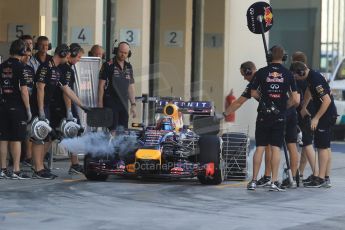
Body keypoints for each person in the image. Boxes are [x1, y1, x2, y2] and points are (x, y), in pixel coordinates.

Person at [30, 44, 89, 179]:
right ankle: (38, 169)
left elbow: (66, 89)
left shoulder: (56, 70)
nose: (69, 57)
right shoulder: (45, 67)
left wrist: (82, 105)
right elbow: (40, 88)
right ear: (62, 54)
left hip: (45, 106)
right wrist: (40, 110)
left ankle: (39, 167)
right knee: (39, 136)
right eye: (67, 54)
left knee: (45, 136)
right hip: (39, 105)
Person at [248, 45, 299, 191]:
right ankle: (274, 181)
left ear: (269, 57)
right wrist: (283, 106)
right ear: (284, 57)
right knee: (276, 148)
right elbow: (295, 99)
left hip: (263, 115)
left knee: (260, 147)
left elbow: (252, 92)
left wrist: (264, 101)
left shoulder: (261, 72)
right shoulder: (288, 74)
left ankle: (253, 181)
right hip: (279, 116)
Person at [223, 61, 272, 188]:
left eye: (244, 75)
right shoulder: (268, 75)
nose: (244, 78)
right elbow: (239, 102)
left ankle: (257, 179)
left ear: (249, 71)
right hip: (282, 113)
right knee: (272, 147)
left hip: (267, 115)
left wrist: (224, 114)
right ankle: (275, 177)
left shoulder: (255, 82)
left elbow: (239, 102)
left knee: (263, 146)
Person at [290, 61, 337, 188]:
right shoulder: (311, 77)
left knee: (322, 147)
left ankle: (320, 178)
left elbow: (326, 100)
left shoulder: (315, 79)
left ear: (301, 73)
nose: (295, 79)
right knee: (325, 146)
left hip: (325, 115)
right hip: (327, 113)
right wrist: (304, 106)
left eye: (295, 76)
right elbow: (308, 92)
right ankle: (325, 177)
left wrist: (316, 118)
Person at [0, 39, 31, 179]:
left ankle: (3, 169)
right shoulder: (21, 67)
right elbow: (24, 91)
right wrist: (28, 109)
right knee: (16, 138)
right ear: (23, 52)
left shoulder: (1, 66)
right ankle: (16, 170)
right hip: (17, 107)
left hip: (2, 105)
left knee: (3, 138)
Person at [52, 43, 85, 174]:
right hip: (63, 106)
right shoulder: (67, 69)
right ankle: (75, 164)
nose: (79, 60)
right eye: (79, 57)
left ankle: (38, 164)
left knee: (51, 135)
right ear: (72, 54)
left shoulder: (62, 67)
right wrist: (69, 111)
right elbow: (66, 92)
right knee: (74, 132)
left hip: (56, 105)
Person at [291, 51, 319, 184]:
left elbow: (295, 98)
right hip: (310, 112)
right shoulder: (310, 75)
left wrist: (301, 108)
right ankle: (301, 173)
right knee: (307, 144)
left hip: (301, 114)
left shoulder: (296, 78)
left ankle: (314, 173)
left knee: (302, 144)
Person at [97, 41, 137, 131]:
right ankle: (111, 145)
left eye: (125, 53)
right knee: (113, 130)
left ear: (128, 54)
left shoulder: (129, 67)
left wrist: (133, 104)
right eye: (121, 52)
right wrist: (100, 104)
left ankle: (120, 145)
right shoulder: (107, 65)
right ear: (116, 51)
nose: (123, 54)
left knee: (123, 130)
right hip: (111, 102)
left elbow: (131, 86)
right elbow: (101, 86)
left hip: (124, 103)